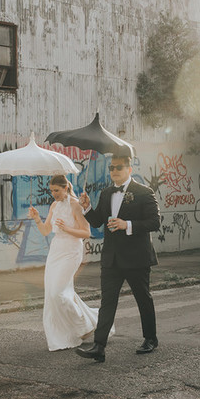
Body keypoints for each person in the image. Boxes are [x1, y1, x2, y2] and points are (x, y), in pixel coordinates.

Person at [75, 154, 161, 363]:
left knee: (143, 299)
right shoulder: (106, 193)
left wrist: (127, 224)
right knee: (107, 302)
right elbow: (97, 222)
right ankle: (99, 346)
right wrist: (86, 207)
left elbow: (154, 222)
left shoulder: (144, 192)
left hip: (137, 258)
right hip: (112, 258)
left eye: (119, 167)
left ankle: (150, 338)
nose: (114, 171)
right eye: (111, 168)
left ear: (129, 169)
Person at [28, 175, 100, 352]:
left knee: (57, 293)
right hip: (56, 251)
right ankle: (90, 322)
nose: (53, 194)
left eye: (56, 191)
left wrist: (67, 228)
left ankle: (84, 326)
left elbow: (86, 232)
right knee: (57, 292)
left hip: (71, 251)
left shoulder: (75, 205)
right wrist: (37, 218)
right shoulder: (54, 205)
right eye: (51, 191)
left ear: (65, 188)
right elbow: (46, 231)